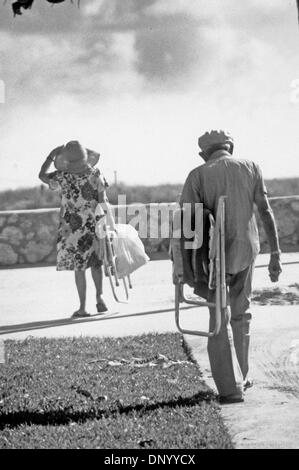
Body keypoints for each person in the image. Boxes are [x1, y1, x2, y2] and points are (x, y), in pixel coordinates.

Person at [180, 130, 282, 404]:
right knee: (241, 313)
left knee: (218, 319)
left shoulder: (198, 175)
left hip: (216, 257)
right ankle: (244, 375)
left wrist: (184, 269)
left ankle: (229, 389)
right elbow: (265, 211)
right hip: (247, 250)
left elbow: (188, 223)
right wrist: (276, 253)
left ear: (203, 153)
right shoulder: (251, 167)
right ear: (231, 147)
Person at [39, 140, 116, 318]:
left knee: (79, 268)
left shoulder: (62, 176)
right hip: (94, 223)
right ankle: (100, 297)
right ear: (84, 157)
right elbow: (103, 200)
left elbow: (42, 175)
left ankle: (82, 307)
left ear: (66, 160)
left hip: (71, 227)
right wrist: (108, 223)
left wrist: (52, 156)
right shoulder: (95, 173)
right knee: (96, 263)